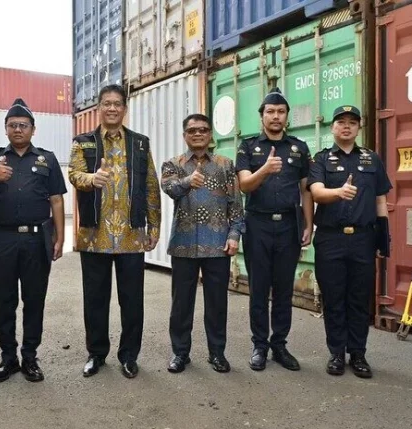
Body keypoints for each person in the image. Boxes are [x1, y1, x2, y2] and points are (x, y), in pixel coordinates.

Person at [68, 84, 161, 379]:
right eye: (106, 103)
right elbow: (74, 174)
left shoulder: (140, 144)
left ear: (124, 109)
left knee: (132, 300)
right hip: (95, 235)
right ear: (99, 108)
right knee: (95, 299)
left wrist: (154, 225)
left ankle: (129, 356)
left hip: (132, 235)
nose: (111, 108)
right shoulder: (83, 143)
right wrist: (91, 178)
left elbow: (151, 185)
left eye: (117, 103)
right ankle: (96, 354)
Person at [0, 98, 66, 383]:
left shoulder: (47, 159)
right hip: (3, 239)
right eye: (12, 125)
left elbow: (56, 200)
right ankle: (8, 358)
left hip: (37, 239)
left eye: (23, 125)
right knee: (4, 299)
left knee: (34, 300)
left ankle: (30, 358)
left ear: (33, 129)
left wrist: (60, 237)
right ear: (5, 129)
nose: (18, 130)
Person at [307, 106, 392, 378]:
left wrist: (383, 237)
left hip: (362, 239)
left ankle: (358, 354)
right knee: (333, 298)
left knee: (358, 298)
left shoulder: (371, 159)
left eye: (352, 122)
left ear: (359, 128)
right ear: (332, 127)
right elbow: (316, 193)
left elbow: (380, 200)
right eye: (341, 122)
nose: (347, 126)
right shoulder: (321, 159)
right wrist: (339, 192)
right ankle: (336, 353)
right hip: (330, 238)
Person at [235, 87, 313, 372]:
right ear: (262, 116)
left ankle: (279, 345)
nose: (276, 116)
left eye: (281, 111)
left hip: (289, 226)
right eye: (270, 111)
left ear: (287, 116)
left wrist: (309, 224)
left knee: (283, 289)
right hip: (258, 225)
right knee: (258, 288)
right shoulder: (248, 147)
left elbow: (306, 190)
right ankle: (259, 345)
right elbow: (244, 185)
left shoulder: (299, 148)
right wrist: (265, 169)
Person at [161, 114, 244, 374]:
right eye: (192, 130)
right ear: (184, 135)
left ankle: (217, 353)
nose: (198, 134)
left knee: (217, 304)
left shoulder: (225, 165)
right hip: (183, 245)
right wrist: (187, 182)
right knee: (181, 305)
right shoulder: (173, 164)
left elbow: (236, 204)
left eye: (203, 130)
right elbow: (169, 189)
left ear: (210, 135)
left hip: (218, 245)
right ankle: (180, 353)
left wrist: (234, 235)